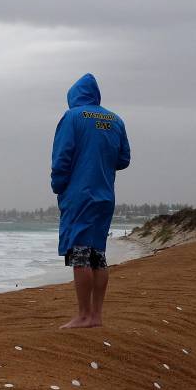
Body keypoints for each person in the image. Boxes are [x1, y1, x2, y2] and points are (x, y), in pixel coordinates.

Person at [51, 74, 130, 328]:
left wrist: (58, 185)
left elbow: (62, 156)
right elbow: (124, 159)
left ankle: (83, 315)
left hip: (79, 194)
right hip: (105, 194)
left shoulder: (72, 117)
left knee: (80, 254)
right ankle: (96, 314)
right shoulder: (115, 120)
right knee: (98, 254)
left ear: (74, 96)